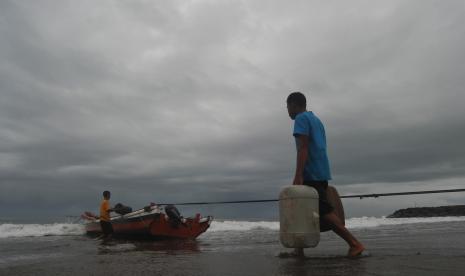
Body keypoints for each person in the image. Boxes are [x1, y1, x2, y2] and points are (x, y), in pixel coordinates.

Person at [286, 92, 365, 258]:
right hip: (321, 170)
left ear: (294, 105)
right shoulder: (317, 120)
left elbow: (303, 148)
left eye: (287, 107)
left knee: (322, 211)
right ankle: (298, 250)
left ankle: (354, 243)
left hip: (311, 172)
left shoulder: (301, 119)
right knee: (306, 209)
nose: (287, 111)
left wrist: (298, 175)